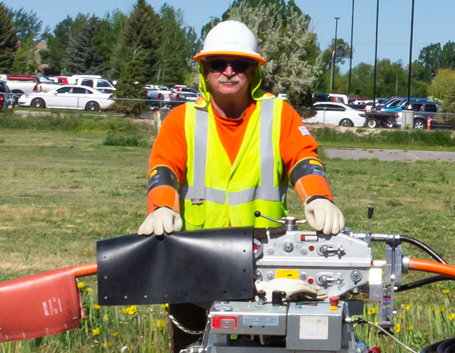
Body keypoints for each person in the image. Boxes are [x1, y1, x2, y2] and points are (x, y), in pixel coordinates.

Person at [135, 20, 346, 351]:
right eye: (218, 64)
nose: (228, 71)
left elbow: (304, 159)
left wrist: (318, 196)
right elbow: (164, 168)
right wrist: (161, 206)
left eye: (240, 64)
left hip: (267, 262)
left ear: (255, 70)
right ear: (205, 70)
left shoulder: (279, 114)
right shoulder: (182, 120)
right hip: (196, 262)